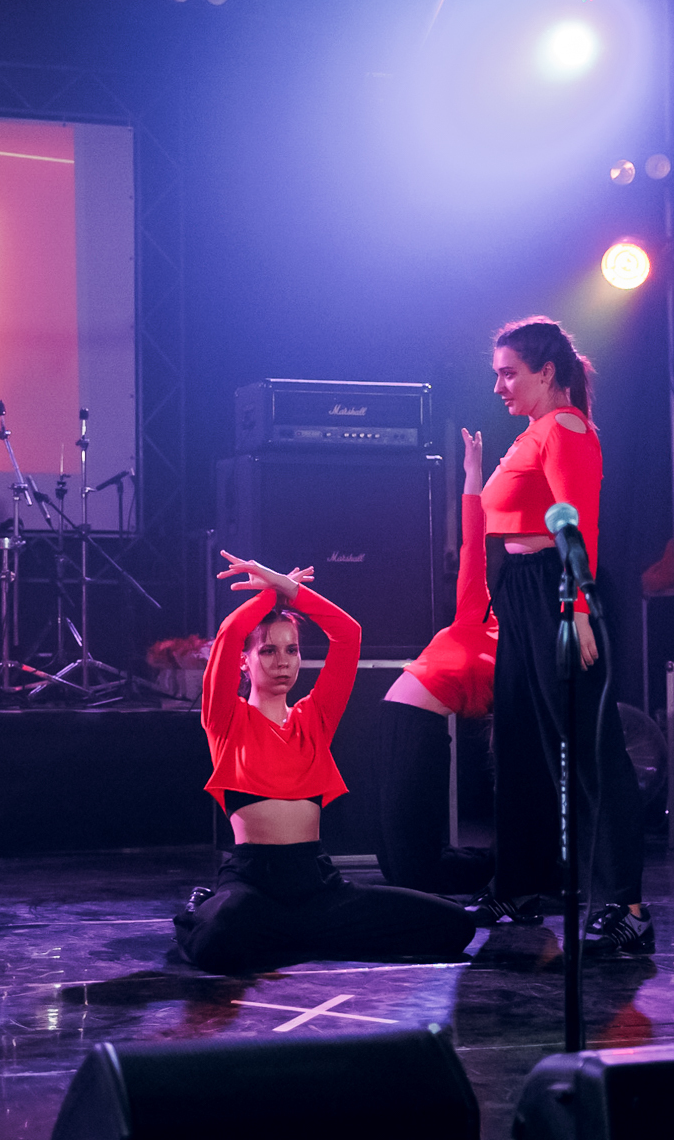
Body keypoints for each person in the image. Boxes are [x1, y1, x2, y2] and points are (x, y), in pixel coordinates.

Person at [173, 553, 478, 975]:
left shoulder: (314, 719)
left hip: (318, 884)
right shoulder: (226, 719)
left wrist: (292, 591)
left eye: (292, 650)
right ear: (245, 660)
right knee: (217, 939)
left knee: (455, 924)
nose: (283, 661)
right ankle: (207, 908)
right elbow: (229, 633)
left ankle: (295, 935)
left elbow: (347, 634)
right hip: (253, 882)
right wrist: (272, 593)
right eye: (268, 650)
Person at [477, 317, 649, 956]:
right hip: (523, 592)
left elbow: (577, 523)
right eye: (497, 374)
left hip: (558, 591)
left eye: (509, 373)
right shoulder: (532, 432)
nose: (499, 386)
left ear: (546, 372)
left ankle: (626, 907)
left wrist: (576, 609)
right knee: (519, 743)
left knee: (590, 747)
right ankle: (520, 887)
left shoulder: (567, 429)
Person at [377, 427, 498, 895]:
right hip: (392, 720)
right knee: (395, 868)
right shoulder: (478, 614)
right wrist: (473, 473)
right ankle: (506, 866)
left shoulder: (528, 661)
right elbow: (473, 543)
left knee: (416, 872)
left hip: (424, 732)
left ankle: (514, 869)